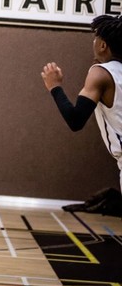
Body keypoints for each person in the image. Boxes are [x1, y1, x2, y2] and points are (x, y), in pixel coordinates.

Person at [41, 14, 122, 192]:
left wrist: (54, 87)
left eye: (96, 39)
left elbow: (75, 120)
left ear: (103, 45)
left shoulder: (101, 73)